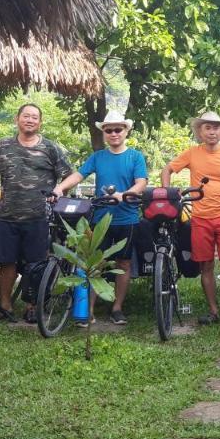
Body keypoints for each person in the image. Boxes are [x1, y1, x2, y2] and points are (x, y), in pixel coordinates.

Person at [0, 103, 75, 323]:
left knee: (36, 264)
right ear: (17, 119)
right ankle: (5, 306)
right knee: (6, 263)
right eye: (26, 116)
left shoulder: (51, 148)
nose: (30, 120)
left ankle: (33, 306)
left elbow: (69, 175)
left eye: (35, 117)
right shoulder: (2, 147)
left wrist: (59, 191)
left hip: (39, 216)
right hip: (7, 215)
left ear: (40, 123)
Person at [162, 111, 220, 327]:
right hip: (200, 218)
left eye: (216, 127)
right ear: (200, 131)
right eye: (208, 127)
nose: (212, 131)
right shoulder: (192, 153)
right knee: (206, 265)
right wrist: (167, 194)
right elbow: (168, 169)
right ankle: (213, 310)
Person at [69, 111, 148, 325]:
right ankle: (89, 309)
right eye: (109, 130)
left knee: (123, 262)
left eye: (118, 129)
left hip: (127, 218)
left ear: (126, 131)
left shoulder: (135, 156)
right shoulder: (97, 157)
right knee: (95, 263)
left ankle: (117, 308)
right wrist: (59, 188)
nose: (114, 133)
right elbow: (79, 175)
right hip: (101, 218)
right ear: (104, 133)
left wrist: (124, 195)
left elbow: (141, 182)